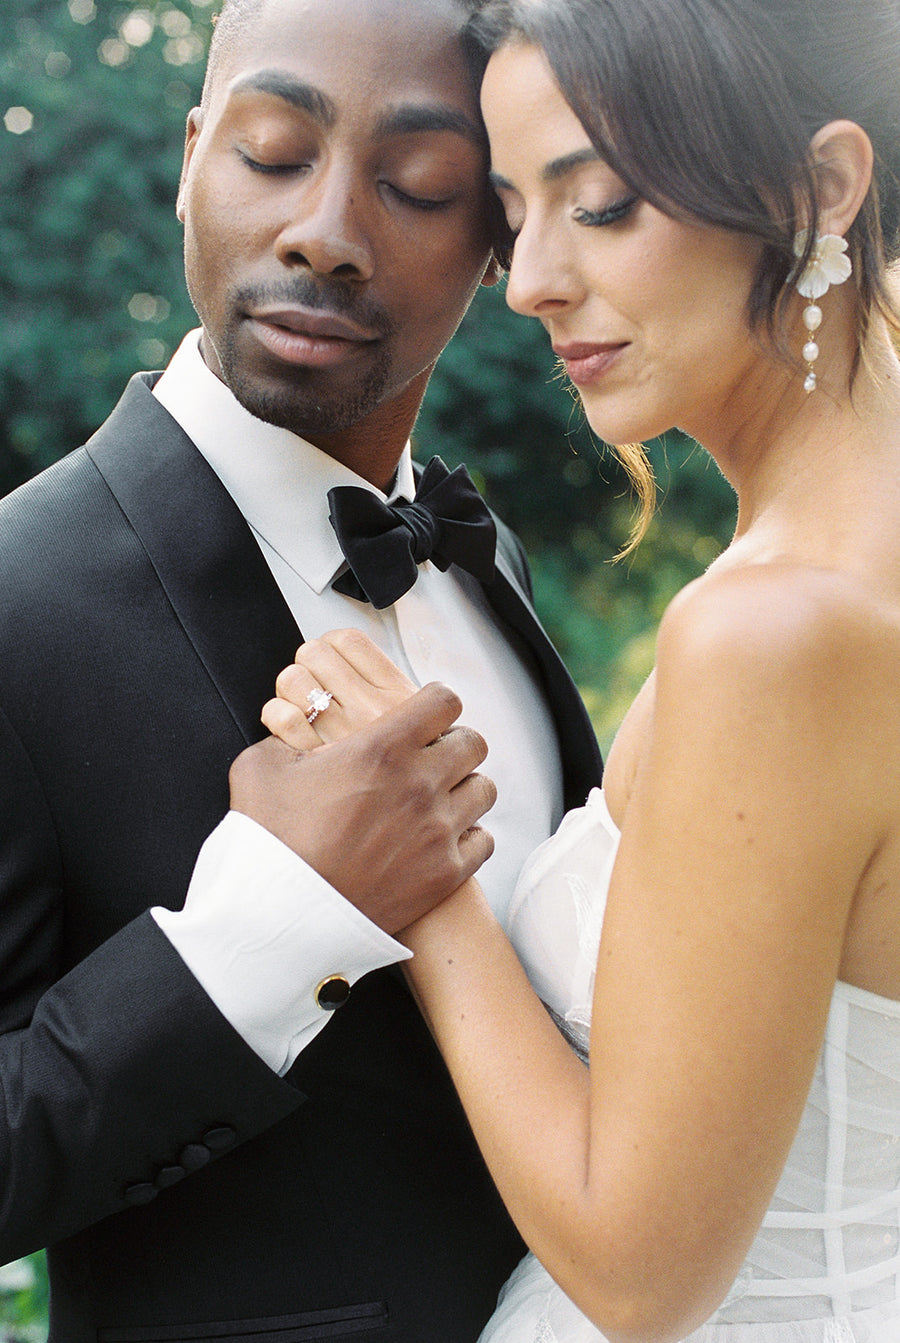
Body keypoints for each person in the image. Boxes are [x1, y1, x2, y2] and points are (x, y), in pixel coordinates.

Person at [265, 0, 900, 1339]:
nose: (532, 278)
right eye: (508, 211)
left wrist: (419, 871)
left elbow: (641, 1274)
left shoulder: (778, 635)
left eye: (600, 204)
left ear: (825, 189)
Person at [0, 0, 603, 1336]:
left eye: (419, 185)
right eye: (274, 151)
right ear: (192, 154)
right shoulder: (16, 600)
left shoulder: (478, 553)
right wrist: (270, 924)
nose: (326, 230)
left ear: (495, 238)